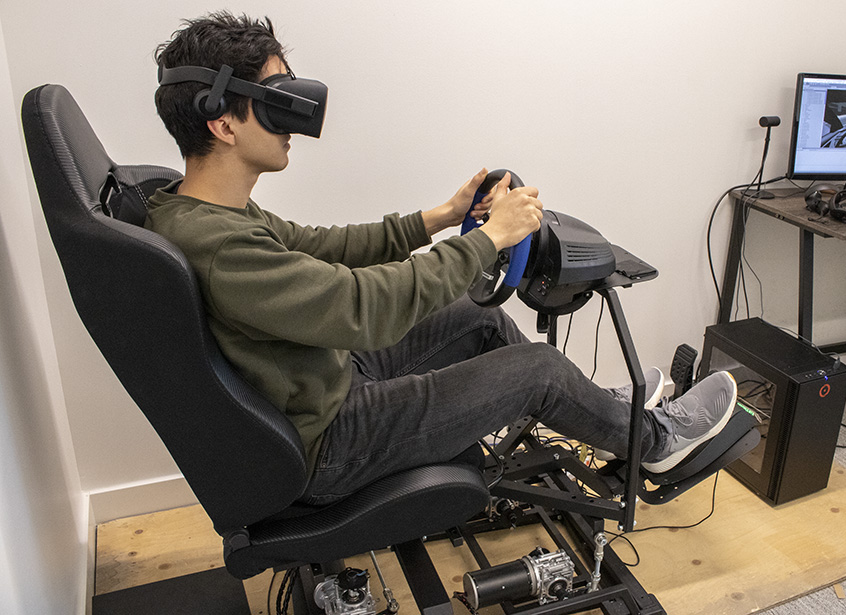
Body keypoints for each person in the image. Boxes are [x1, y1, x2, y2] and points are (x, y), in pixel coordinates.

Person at [149, 12, 737, 505]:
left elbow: (323, 247)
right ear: (223, 121)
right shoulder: (224, 247)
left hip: (325, 382)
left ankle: (605, 421)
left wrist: (443, 217)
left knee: (477, 316)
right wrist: (487, 240)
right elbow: (362, 309)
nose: (294, 126)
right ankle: (657, 442)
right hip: (330, 442)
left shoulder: (202, 212)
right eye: (277, 102)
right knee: (539, 370)